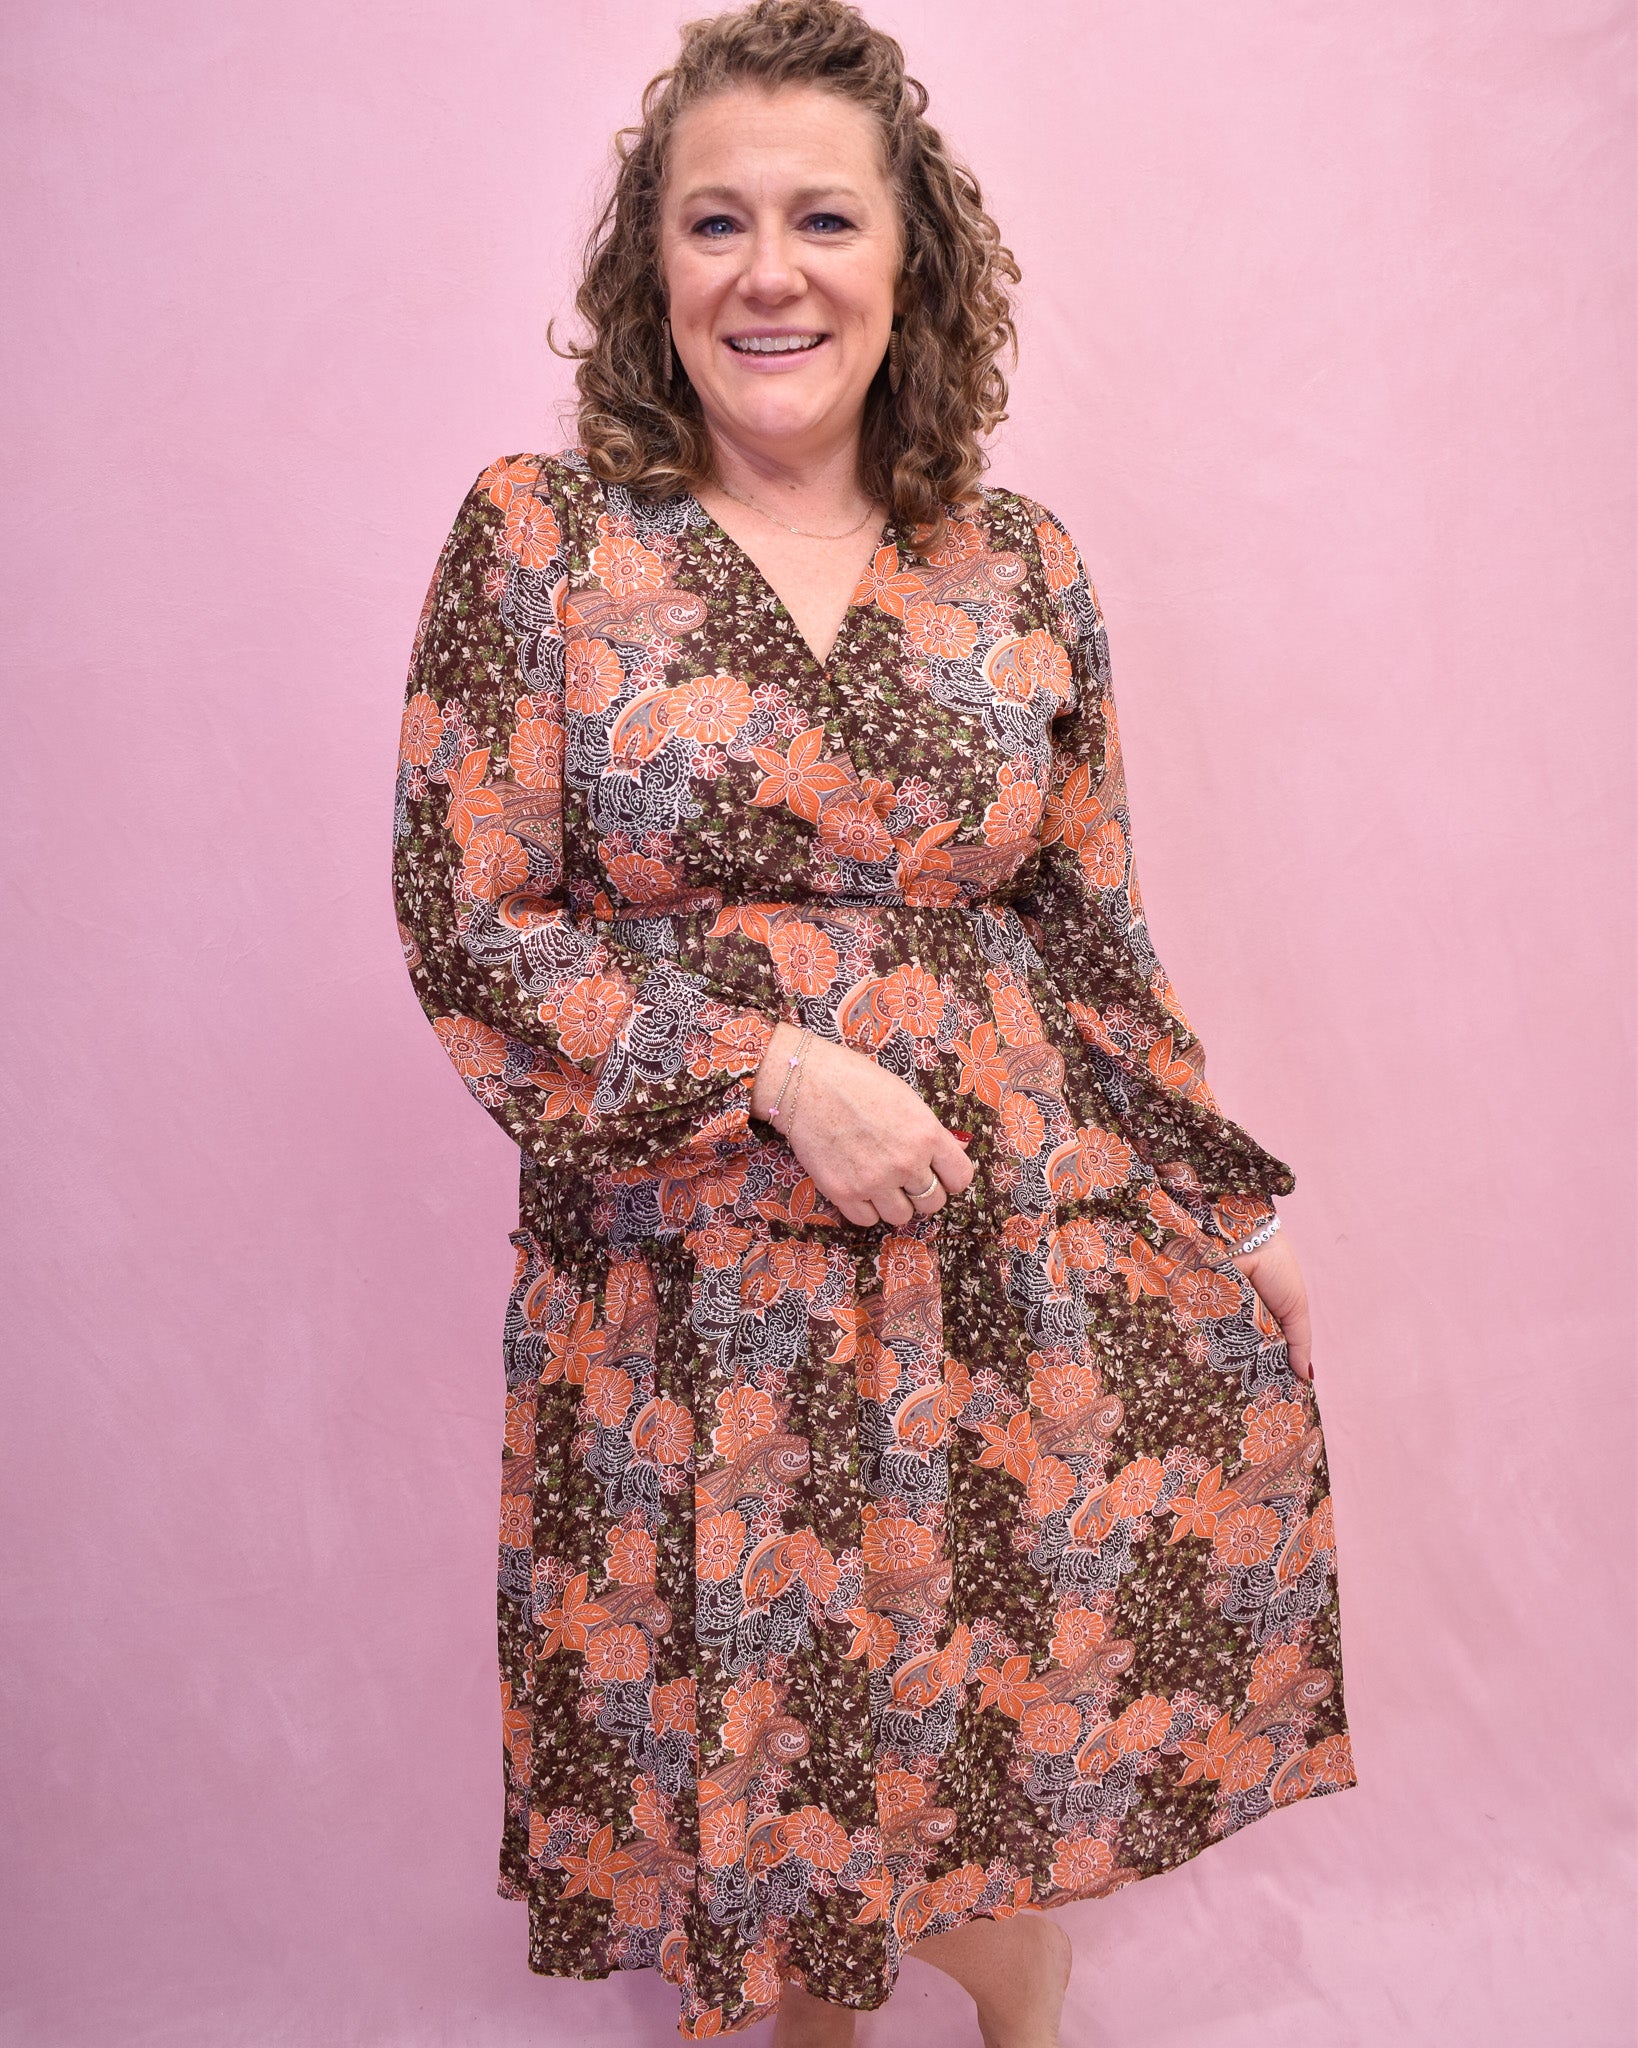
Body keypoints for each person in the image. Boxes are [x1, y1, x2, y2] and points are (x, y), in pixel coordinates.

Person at [391, 3, 1357, 2040]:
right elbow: (468, 921)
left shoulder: (1015, 566)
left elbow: (1090, 931)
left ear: (908, 257)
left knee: (964, 1741)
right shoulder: (542, 543)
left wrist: (1230, 1208)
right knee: (759, 1824)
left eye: (821, 217)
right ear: (648, 268)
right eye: (713, 220)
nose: (769, 270)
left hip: (986, 1267)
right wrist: (773, 1066)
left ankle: (1021, 1974)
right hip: (691, 1288)